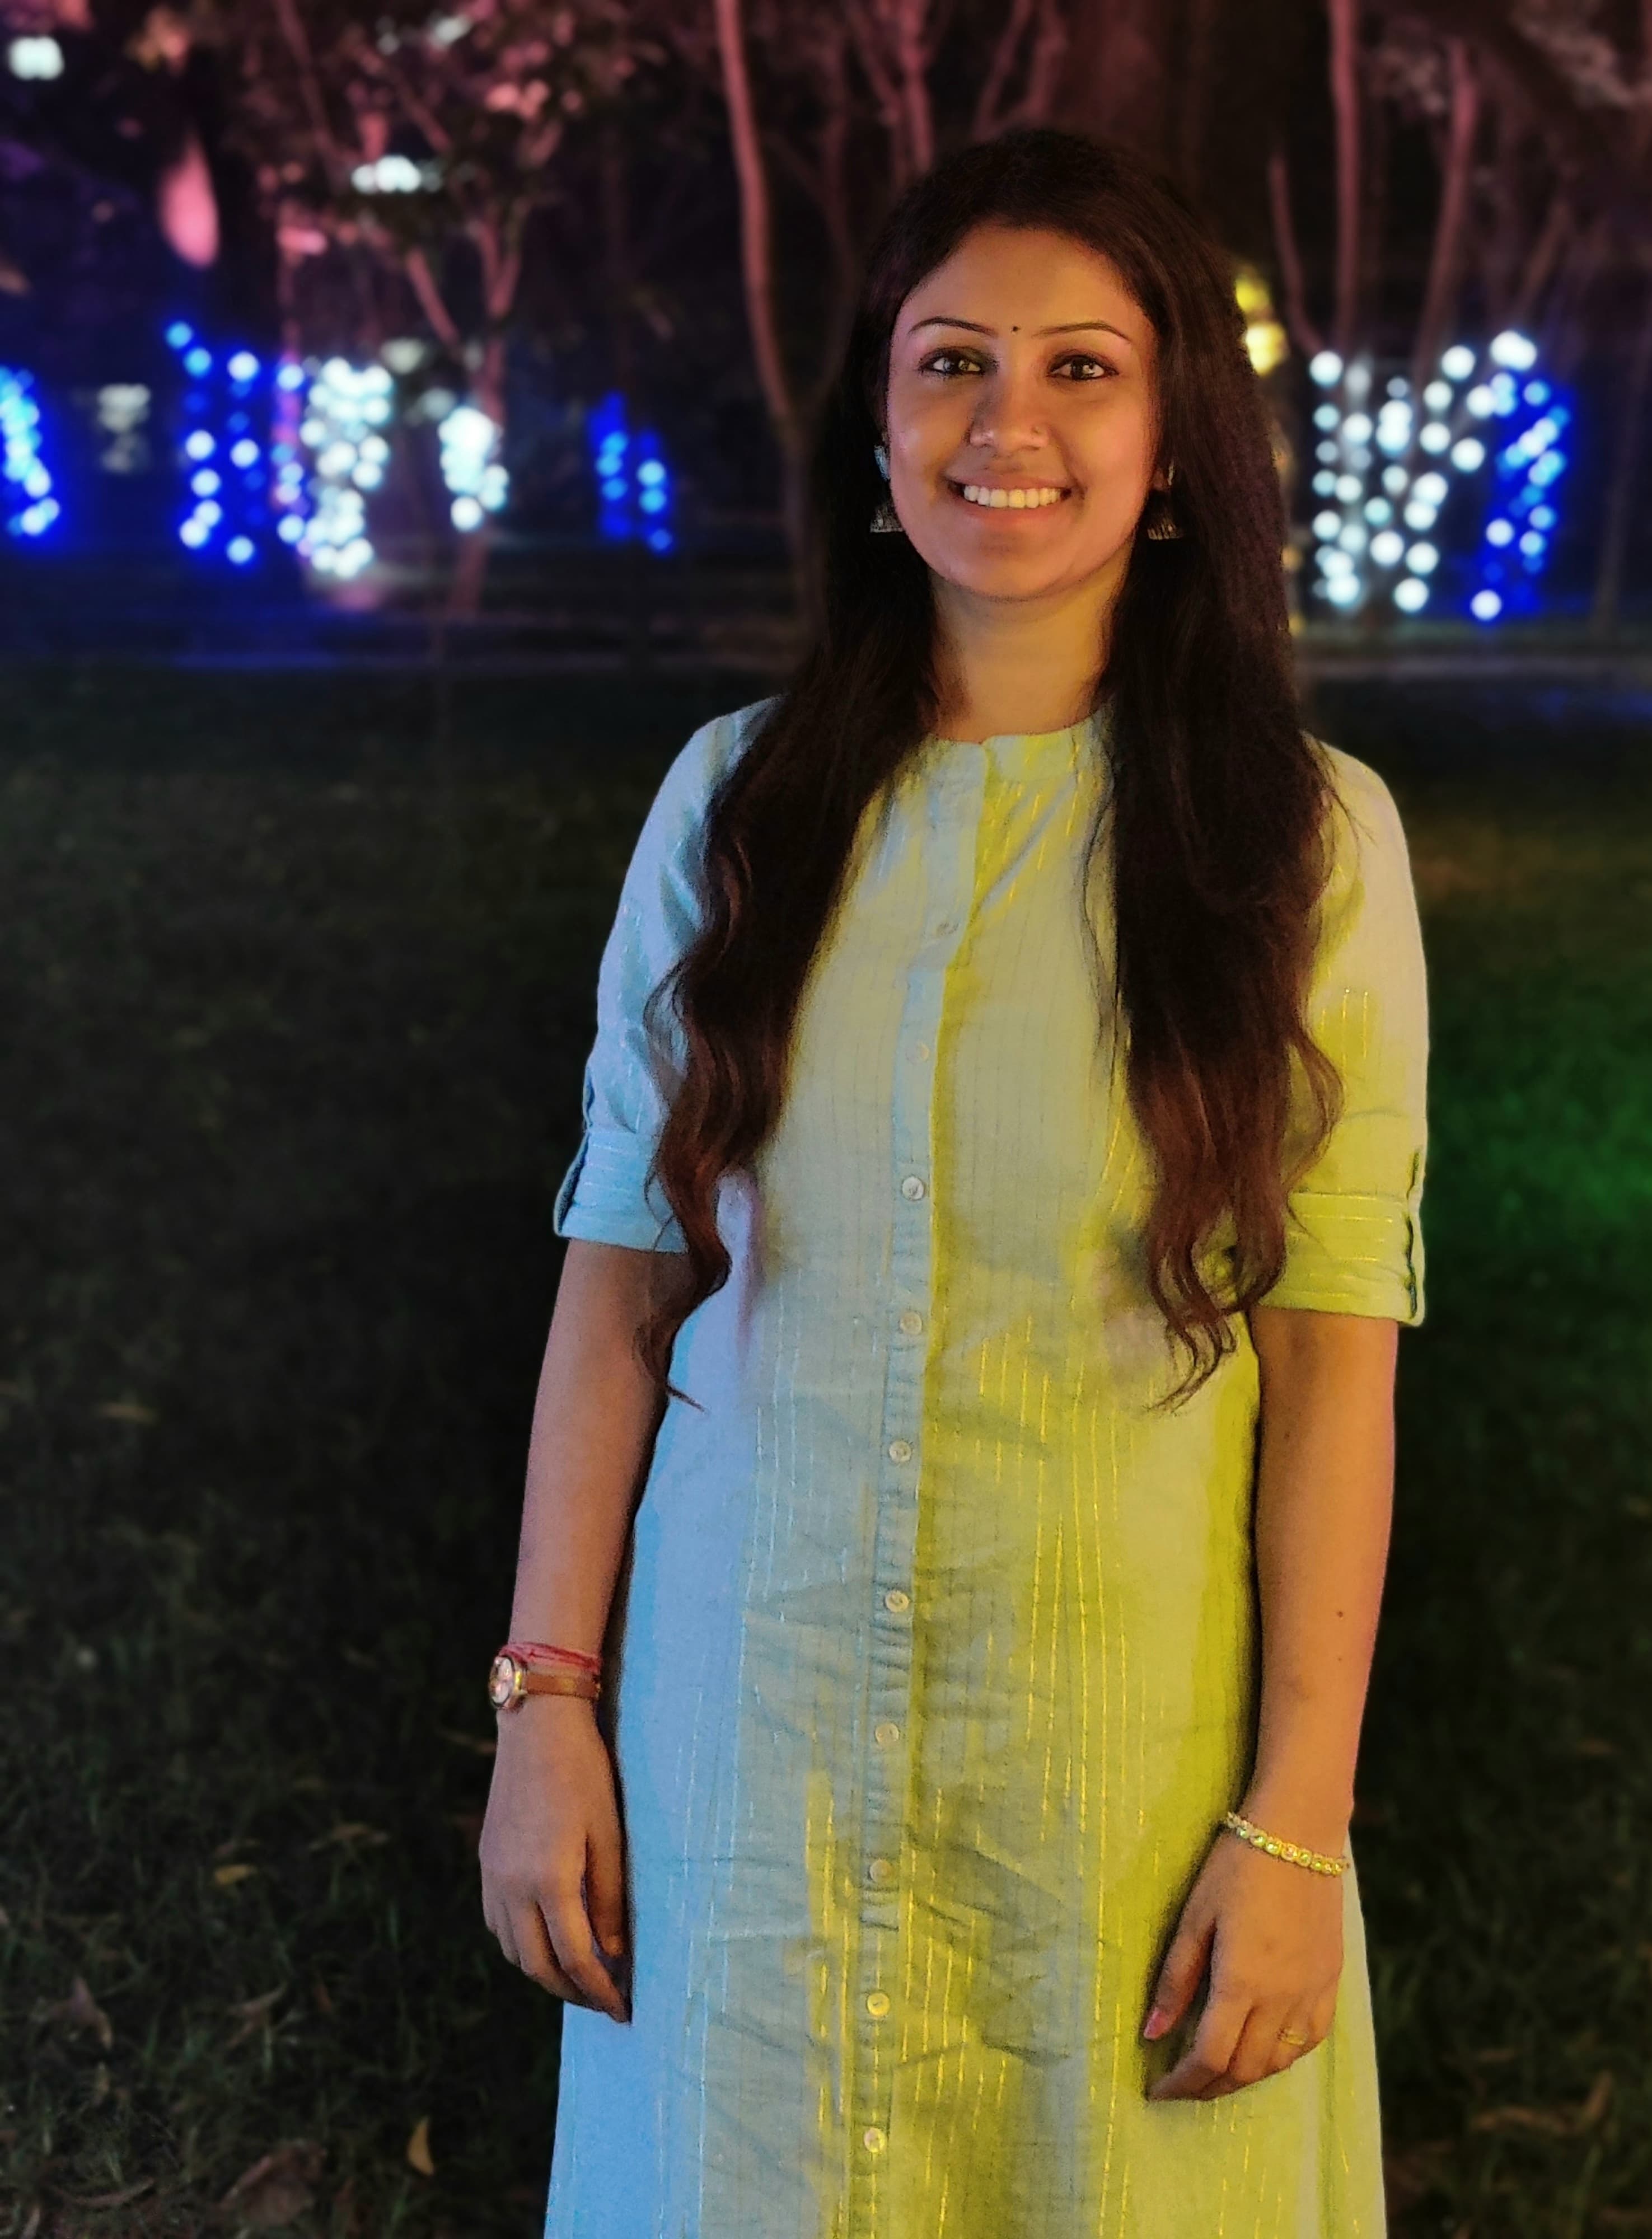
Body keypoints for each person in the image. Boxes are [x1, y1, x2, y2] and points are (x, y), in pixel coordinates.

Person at [480, 127, 1427, 2239]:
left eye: (1083, 367)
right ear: (879, 425)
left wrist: (1297, 1826)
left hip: (1117, 1770)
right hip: (749, 1760)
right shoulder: (733, 806)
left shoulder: (1299, 839)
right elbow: (622, 1280)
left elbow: (1335, 1367)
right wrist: (547, 1710)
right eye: (951, 363)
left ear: (1171, 446)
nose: (1009, 425)